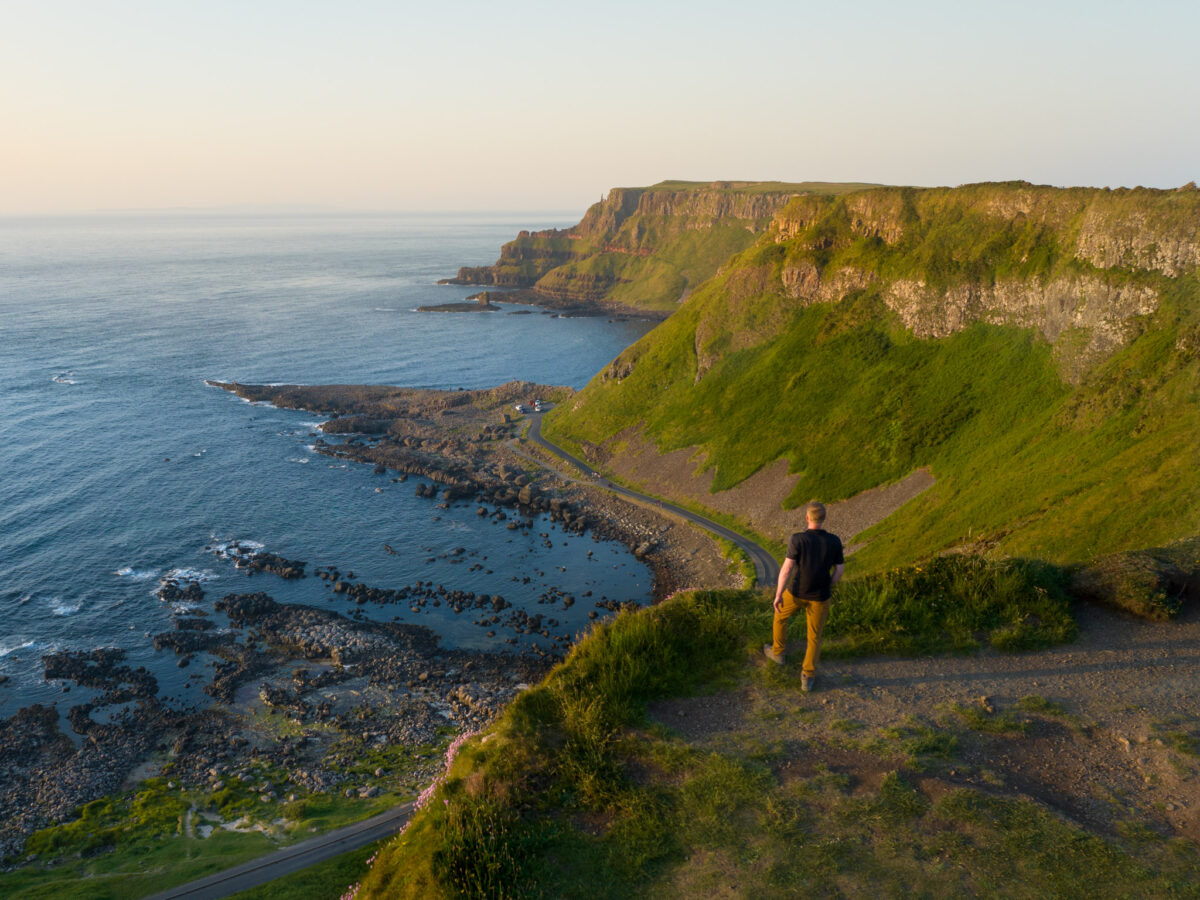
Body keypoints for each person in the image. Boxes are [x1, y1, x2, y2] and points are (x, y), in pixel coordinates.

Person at [765, 501, 844, 692]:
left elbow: (786, 569)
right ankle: (807, 677)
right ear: (823, 519)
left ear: (807, 518)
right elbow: (839, 570)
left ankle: (778, 653)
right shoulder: (834, 541)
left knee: (780, 617)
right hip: (820, 596)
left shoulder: (798, 539)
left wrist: (778, 595)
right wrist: (829, 585)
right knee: (815, 636)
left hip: (796, 592)